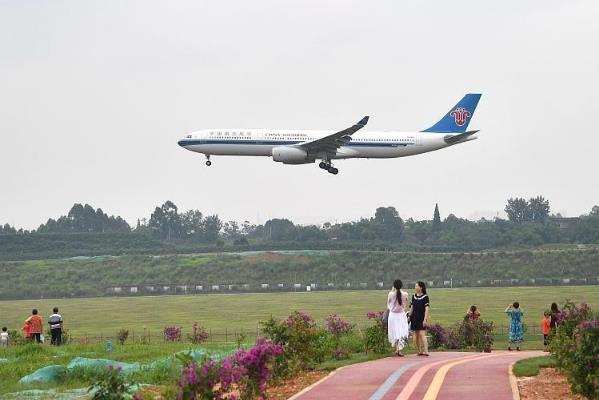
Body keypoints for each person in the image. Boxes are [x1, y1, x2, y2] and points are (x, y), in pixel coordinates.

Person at [387, 279, 409, 356]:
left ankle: (396, 348)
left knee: (394, 331)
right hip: (401, 315)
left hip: (393, 315)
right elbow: (406, 302)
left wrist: (392, 290)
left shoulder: (391, 294)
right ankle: (398, 349)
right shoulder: (405, 294)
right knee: (401, 331)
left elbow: (388, 304)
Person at [408, 281, 430, 356]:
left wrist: (425, 319)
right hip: (414, 318)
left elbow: (427, 309)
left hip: (421, 317)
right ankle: (419, 351)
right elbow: (411, 307)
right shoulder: (413, 296)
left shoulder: (425, 297)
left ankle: (426, 351)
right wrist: (409, 316)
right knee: (415, 335)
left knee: (422, 334)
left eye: (417, 286)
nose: (415, 288)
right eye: (415, 286)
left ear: (421, 287)